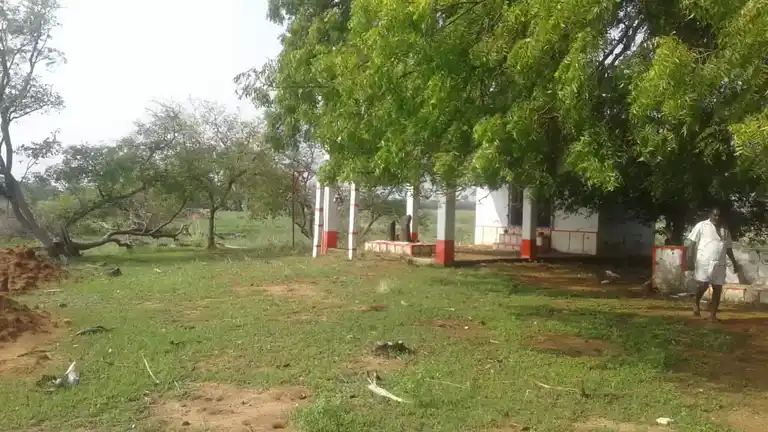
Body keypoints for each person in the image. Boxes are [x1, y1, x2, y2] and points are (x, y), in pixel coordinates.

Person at [686, 207, 741, 322]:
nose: (717, 218)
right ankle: (696, 301)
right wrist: (690, 259)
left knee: (717, 288)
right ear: (710, 215)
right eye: (715, 215)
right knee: (703, 285)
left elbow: (729, 248)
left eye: (719, 216)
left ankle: (713, 316)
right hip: (704, 262)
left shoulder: (725, 229)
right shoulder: (701, 226)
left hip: (720, 263)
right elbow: (692, 244)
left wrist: (734, 263)